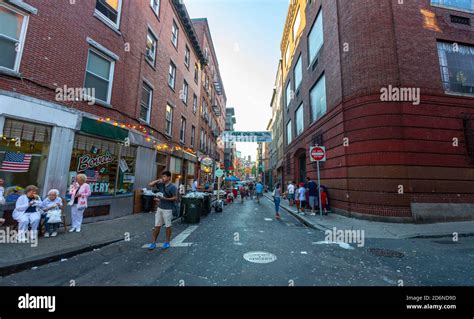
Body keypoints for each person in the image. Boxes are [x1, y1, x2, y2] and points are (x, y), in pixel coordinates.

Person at [147, 171, 178, 250]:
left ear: (169, 177)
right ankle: (153, 242)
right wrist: (158, 180)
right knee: (157, 225)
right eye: (162, 176)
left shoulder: (172, 187)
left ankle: (167, 242)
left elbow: (175, 198)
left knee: (168, 226)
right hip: (160, 208)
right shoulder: (161, 185)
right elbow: (150, 184)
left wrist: (165, 199)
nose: (163, 178)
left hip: (168, 209)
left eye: (164, 177)